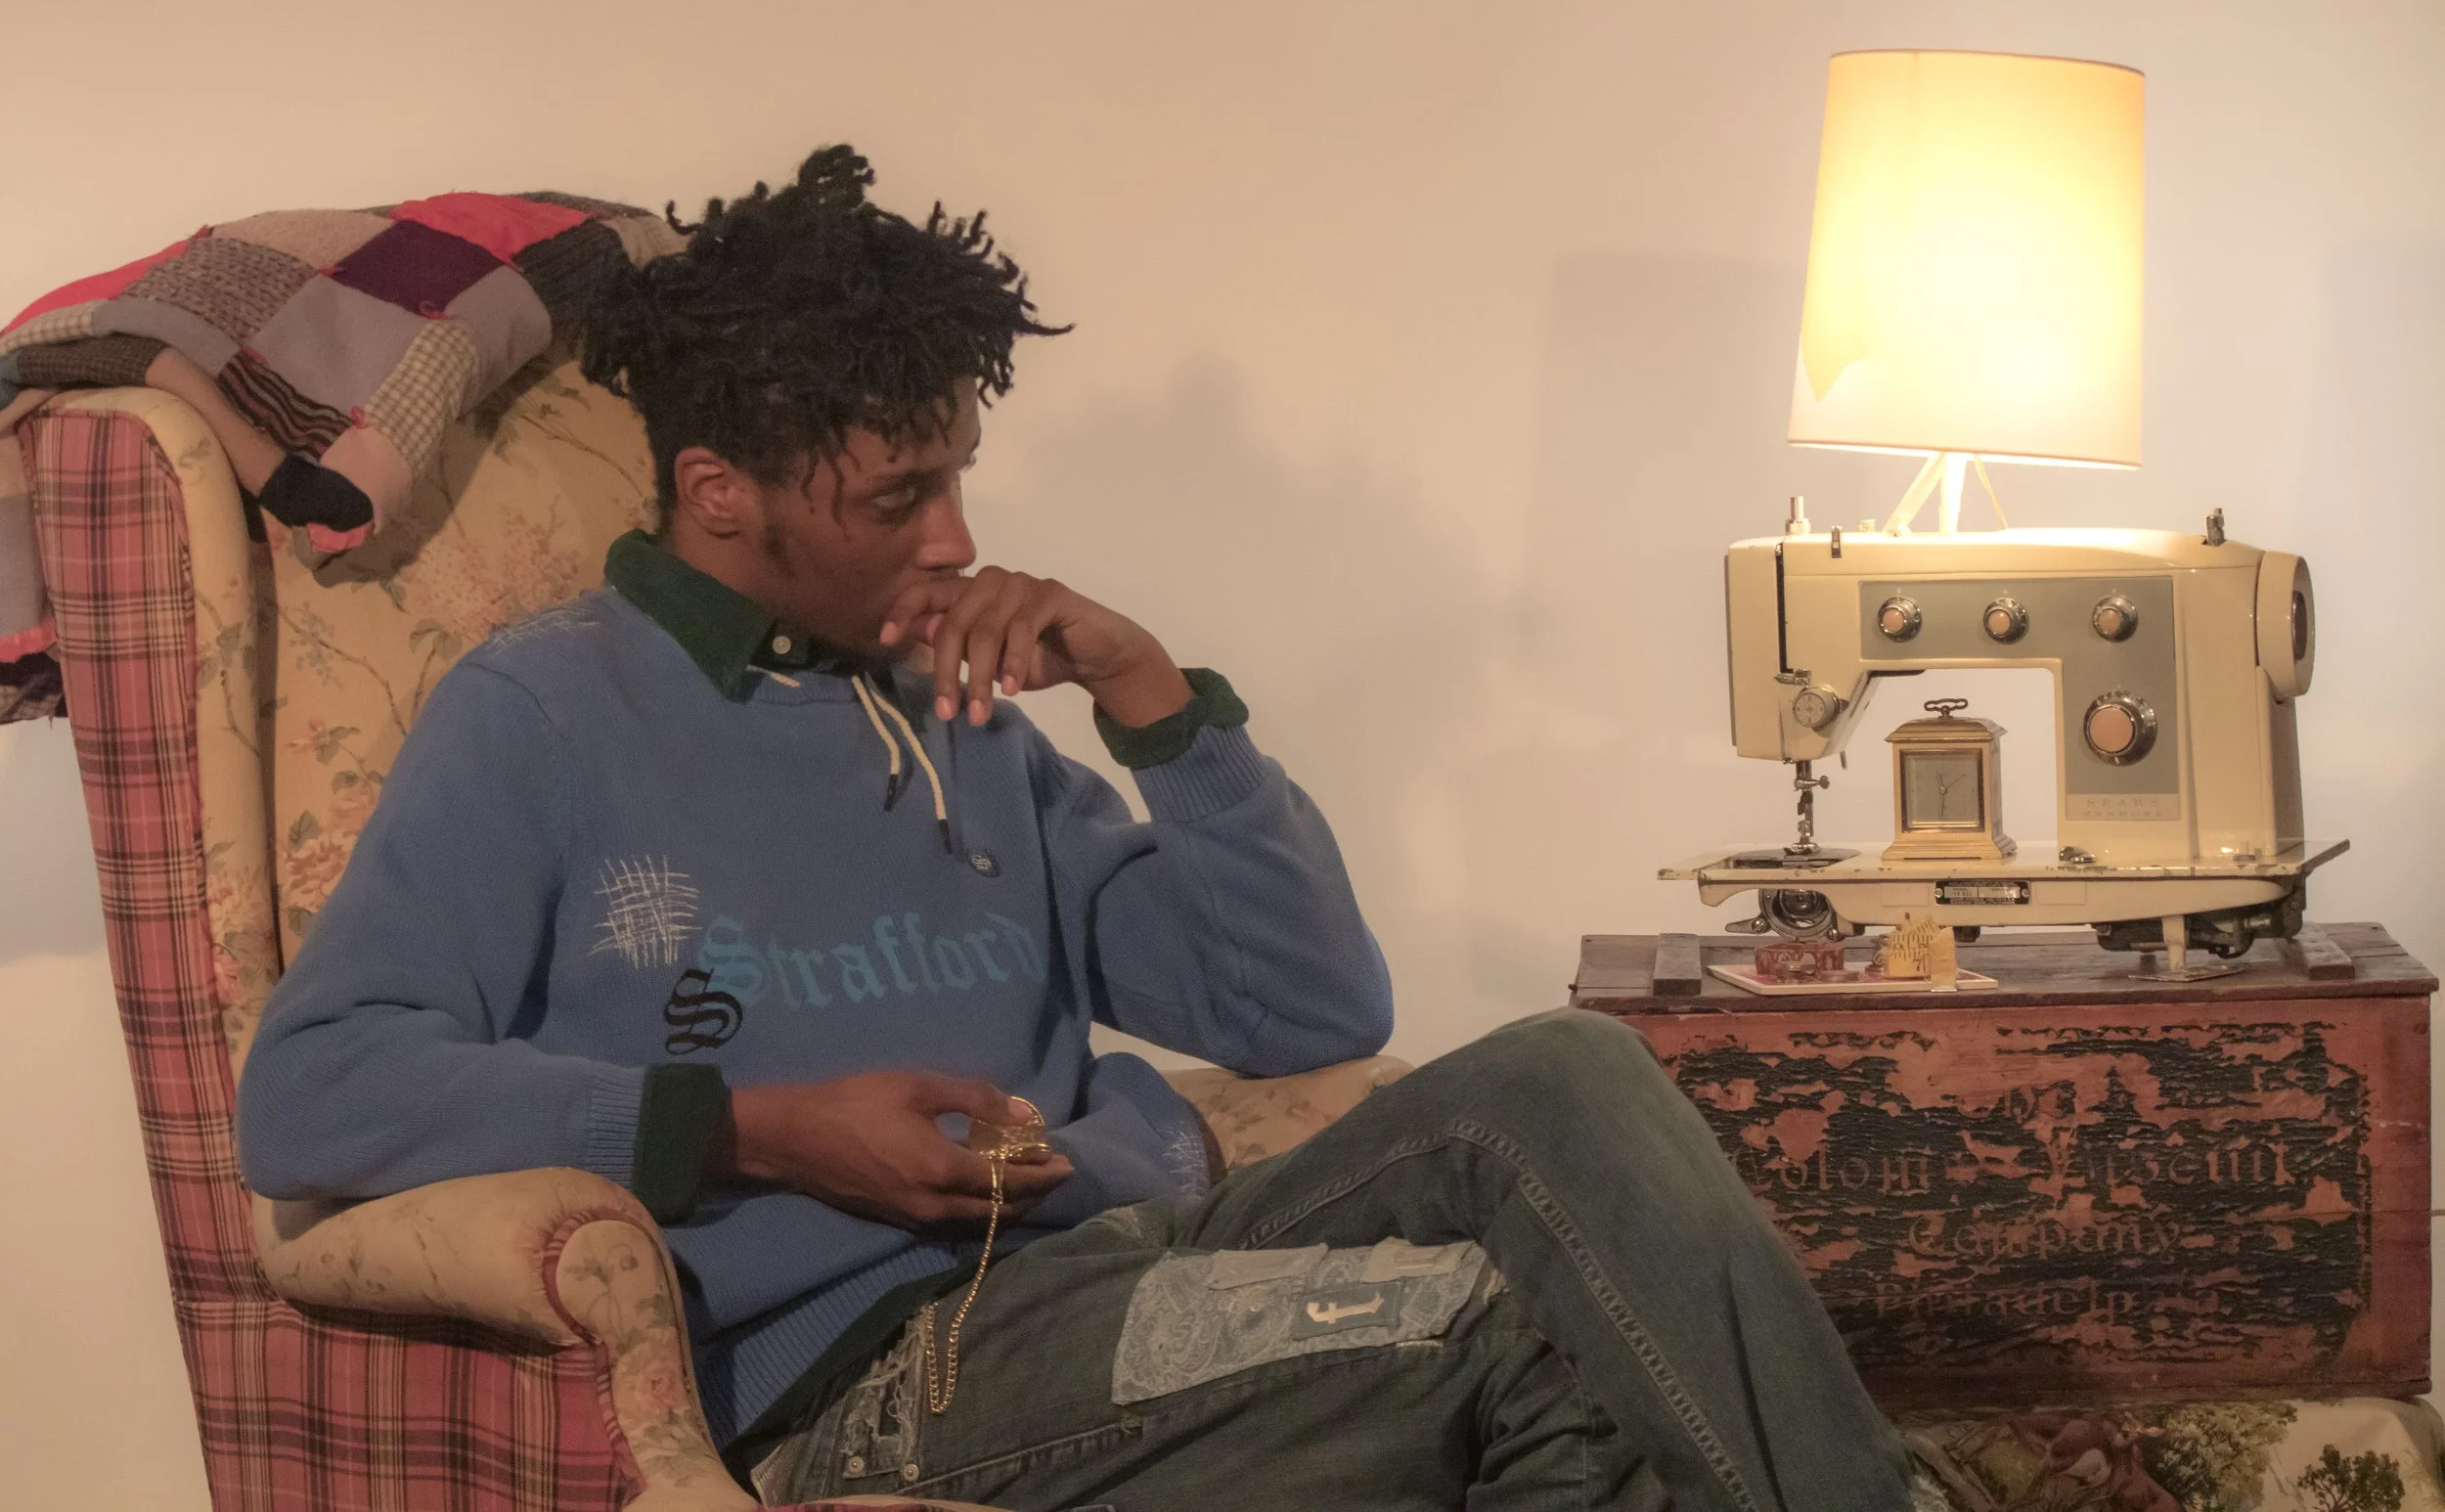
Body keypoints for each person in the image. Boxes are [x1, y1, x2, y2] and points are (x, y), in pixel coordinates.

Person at [236, 147, 1920, 1512]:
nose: (959, 536)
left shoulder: (952, 709)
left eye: (959, 474)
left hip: (1134, 1252)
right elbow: (312, 1091)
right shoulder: (540, 716)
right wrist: (764, 1130)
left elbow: (1307, 1008)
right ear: (718, 491)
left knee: (1568, 1072)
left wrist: (1152, 699)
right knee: (1508, 1339)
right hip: (883, 1369)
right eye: (901, 494)